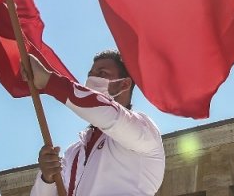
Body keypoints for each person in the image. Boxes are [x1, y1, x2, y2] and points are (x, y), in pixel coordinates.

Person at [24, 50, 165, 196]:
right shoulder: (73, 152)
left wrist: (49, 81)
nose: (92, 79)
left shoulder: (145, 130)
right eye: (90, 74)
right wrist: (47, 179)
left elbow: (108, 113)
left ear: (124, 84)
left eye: (102, 73)